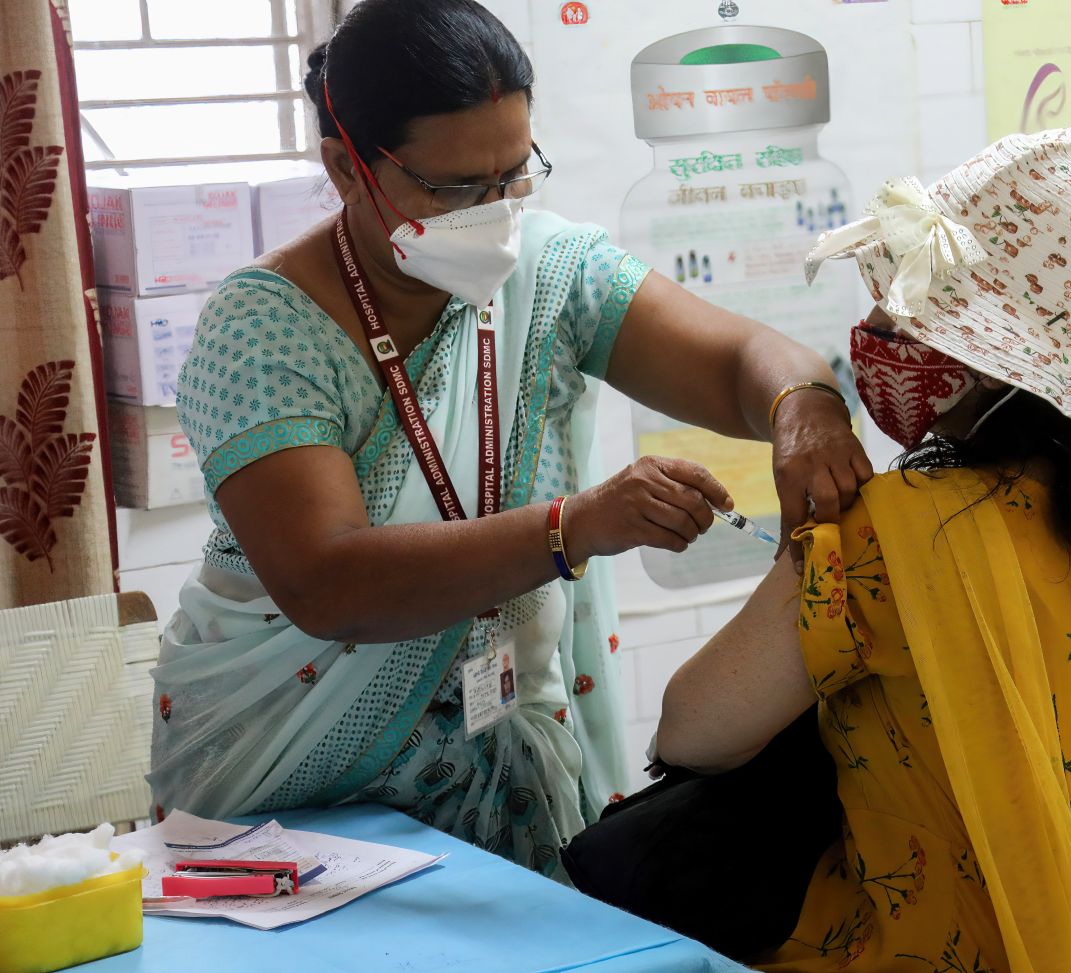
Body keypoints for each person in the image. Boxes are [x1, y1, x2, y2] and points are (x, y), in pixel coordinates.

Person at [147, 0, 869, 877]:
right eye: (453, 190)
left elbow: (740, 361)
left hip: (501, 761)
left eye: (514, 175)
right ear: (344, 167)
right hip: (286, 784)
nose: (493, 212)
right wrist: (573, 528)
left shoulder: (551, 271)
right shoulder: (263, 329)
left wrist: (802, 403)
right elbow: (327, 581)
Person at [655, 129, 1071, 972]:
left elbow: (690, 729)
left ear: (989, 367)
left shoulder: (899, 533)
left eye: (906, 315)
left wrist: (805, 554)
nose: (875, 330)